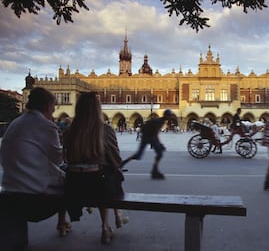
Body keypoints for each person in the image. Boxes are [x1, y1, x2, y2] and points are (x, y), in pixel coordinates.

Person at [0, 87, 70, 237]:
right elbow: (58, 160)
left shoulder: (15, 123)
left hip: (9, 191)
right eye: (53, 106)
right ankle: (62, 222)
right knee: (72, 180)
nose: (54, 110)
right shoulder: (45, 125)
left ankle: (62, 223)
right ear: (46, 106)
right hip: (36, 198)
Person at [63, 92, 126, 244]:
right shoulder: (105, 130)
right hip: (98, 184)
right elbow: (116, 160)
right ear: (98, 109)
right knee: (109, 177)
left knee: (98, 177)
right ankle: (105, 227)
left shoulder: (69, 131)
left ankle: (64, 222)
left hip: (73, 185)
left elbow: (65, 159)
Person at [122, 109, 173, 179]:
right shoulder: (159, 122)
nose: (170, 117)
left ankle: (155, 171)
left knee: (158, 153)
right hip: (147, 137)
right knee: (139, 155)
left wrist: (159, 144)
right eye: (170, 116)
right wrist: (160, 144)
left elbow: (155, 134)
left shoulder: (161, 121)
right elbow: (155, 134)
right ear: (166, 116)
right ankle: (154, 172)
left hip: (149, 137)